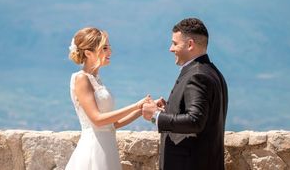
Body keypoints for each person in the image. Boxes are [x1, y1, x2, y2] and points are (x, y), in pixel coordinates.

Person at [142, 18, 228, 170]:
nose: (171, 48)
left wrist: (156, 115)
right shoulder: (212, 72)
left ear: (190, 45)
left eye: (175, 43)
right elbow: (202, 115)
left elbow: (195, 120)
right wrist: (169, 110)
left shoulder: (197, 75)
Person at [66, 27, 150, 170]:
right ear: (88, 53)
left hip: (107, 148)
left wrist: (141, 110)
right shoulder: (81, 79)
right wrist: (135, 105)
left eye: (109, 47)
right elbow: (97, 120)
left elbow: (112, 124)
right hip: (93, 148)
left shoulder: (96, 80)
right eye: (104, 48)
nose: (110, 52)